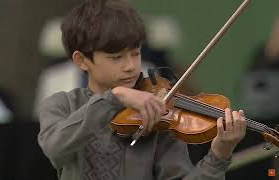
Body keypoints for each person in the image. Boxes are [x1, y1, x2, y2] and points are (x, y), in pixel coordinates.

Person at [38, 0, 247, 179]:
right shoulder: (63, 105)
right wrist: (115, 97)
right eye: (116, 57)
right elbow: (55, 148)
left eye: (135, 53)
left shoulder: (157, 112)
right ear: (82, 60)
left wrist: (219, 155)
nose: (130, 66)